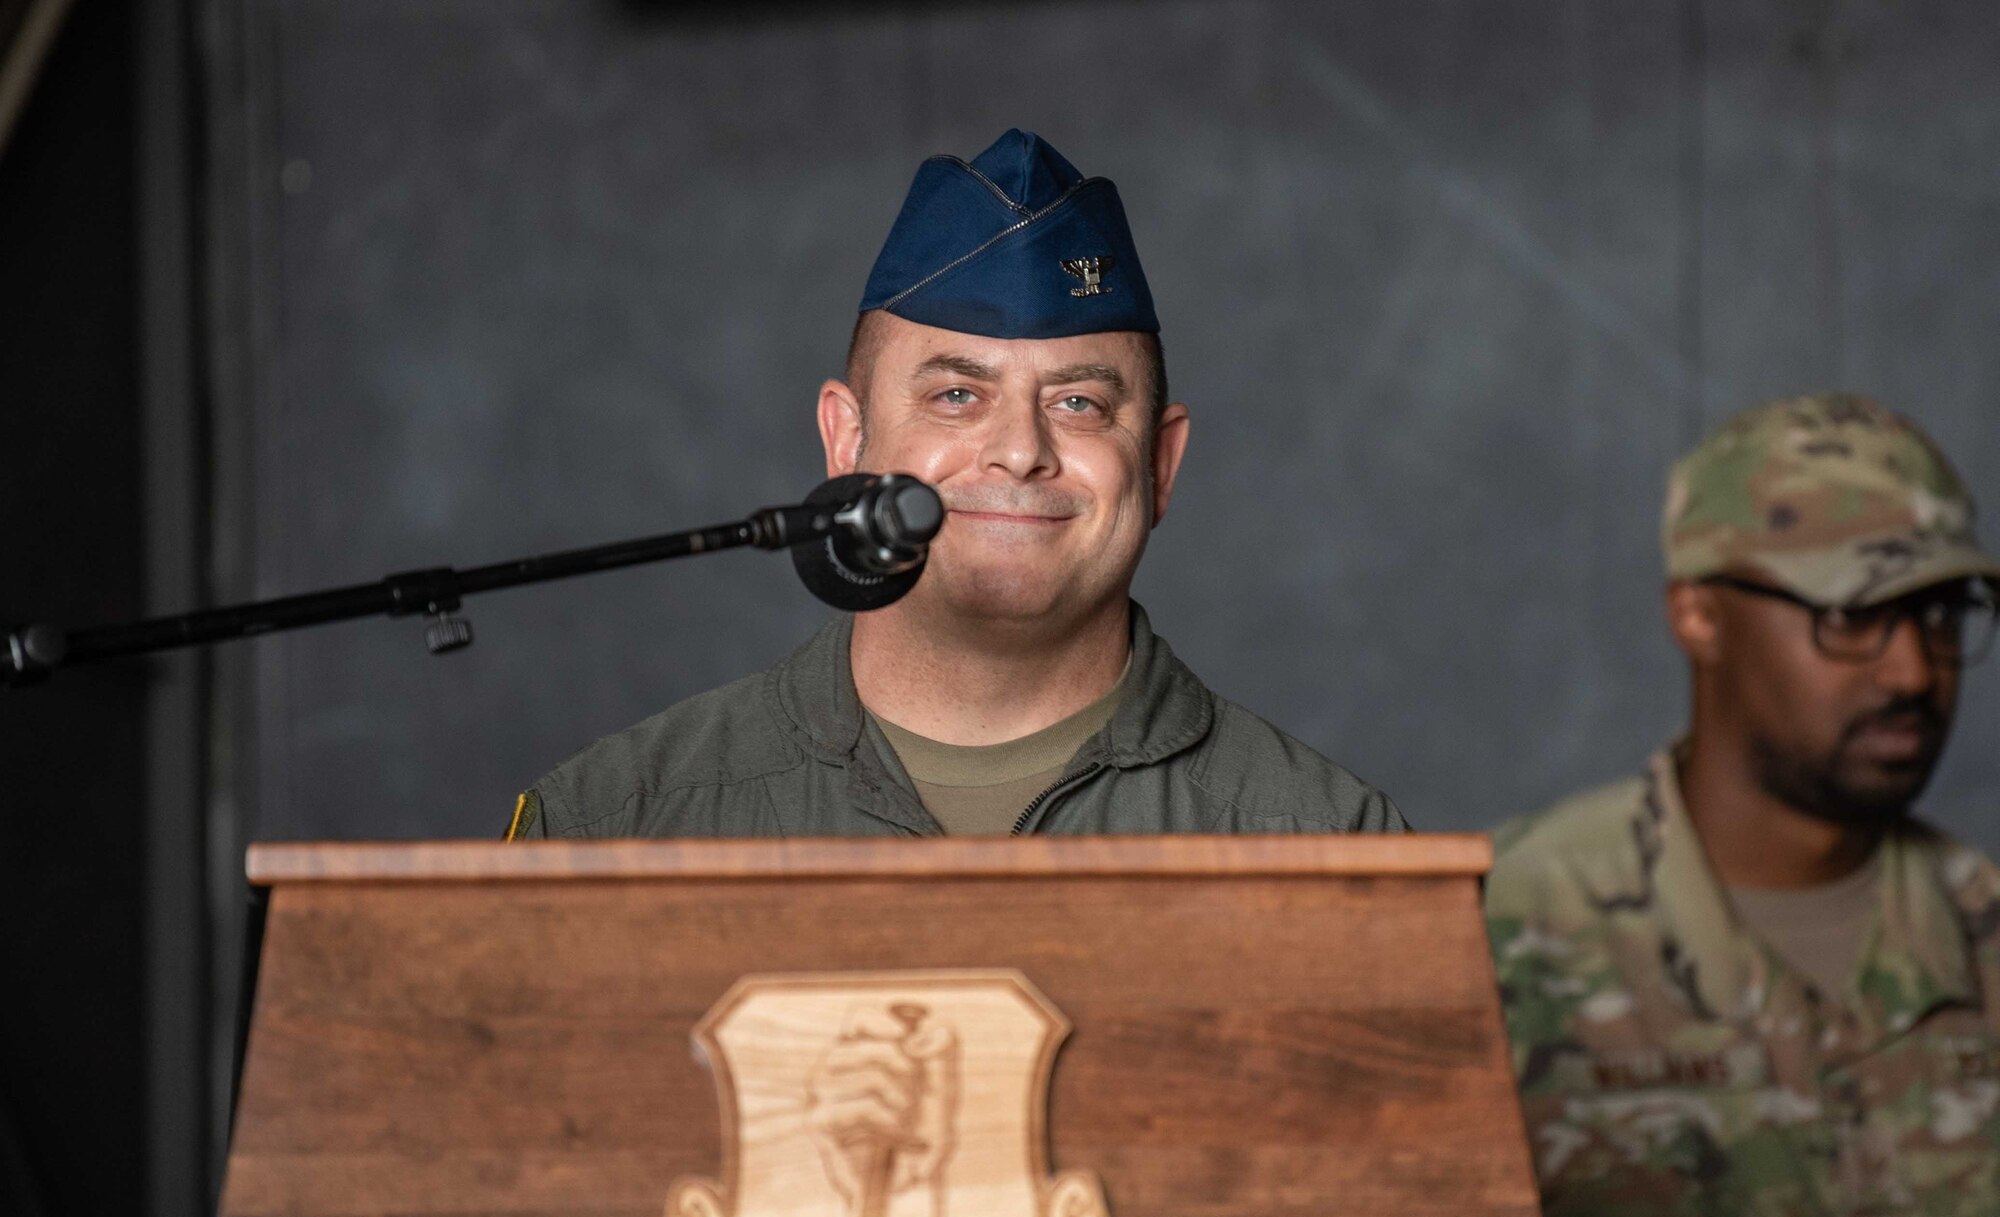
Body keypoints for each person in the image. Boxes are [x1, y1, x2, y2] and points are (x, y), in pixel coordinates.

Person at [507, 129, 1402, 839]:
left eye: (1081, 402)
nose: (1019, 451)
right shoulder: (615, 827)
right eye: (957, 394)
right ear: (846, 436)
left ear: (1161, 466)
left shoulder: (1331, 846)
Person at [1487, 393, 2000, 1217]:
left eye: (1940, 613)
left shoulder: (1985, 933)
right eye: (1852, 613)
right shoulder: (1494, 941)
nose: (1912, 671)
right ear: (1698, 615)